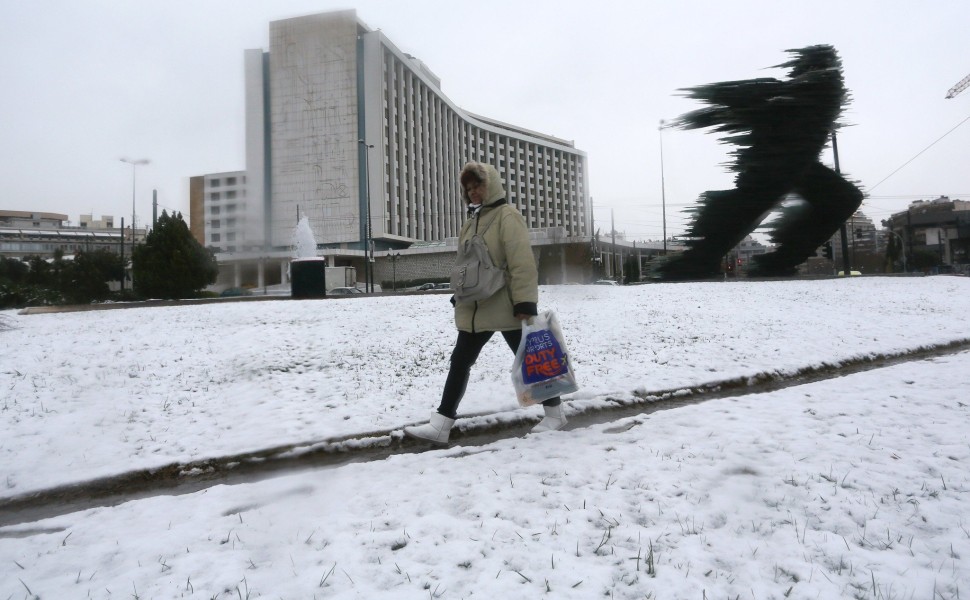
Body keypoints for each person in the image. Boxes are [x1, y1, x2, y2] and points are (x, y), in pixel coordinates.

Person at [404, 161, 567, 445]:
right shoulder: (472, 222)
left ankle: (555, 414)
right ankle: (442, 424)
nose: (473, 192)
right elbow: (467, 264)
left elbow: (522, 262)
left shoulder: (507, 216)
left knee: (532, 360)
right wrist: (460, 292)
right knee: (460, 362)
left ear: (490, 185)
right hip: (475, 306)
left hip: (506, 306)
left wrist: (526, 302)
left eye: (478, 185)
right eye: (468, 188)